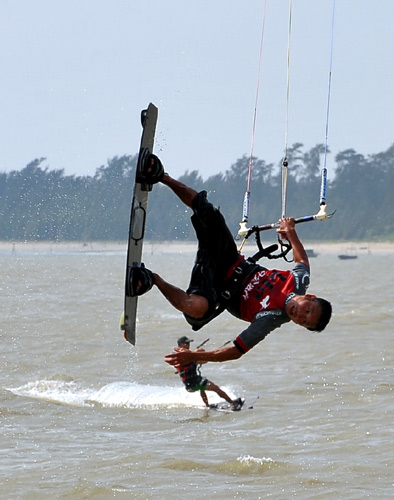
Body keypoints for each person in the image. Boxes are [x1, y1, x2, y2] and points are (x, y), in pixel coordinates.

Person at [131, 153, 332, 368]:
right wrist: (290, 231)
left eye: (303, 322)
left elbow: (236, 351)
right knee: (211, 214)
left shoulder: (270, 318)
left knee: (196, 308)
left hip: (216, 288)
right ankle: (162, 177)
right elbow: (302, 261)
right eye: (307, 310)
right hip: (230, 259)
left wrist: (194, 357)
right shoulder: (299, 282)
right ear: (309, 297)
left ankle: (151, 278)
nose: (299, 315)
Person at [174, 336, 244, 410]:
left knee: (202, 388)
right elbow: (194, 358)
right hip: (194, 382)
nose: (188, 345)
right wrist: (198, 354)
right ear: (180, 344)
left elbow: (202, 361)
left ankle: (207, 406)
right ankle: (234, 404)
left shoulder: (180, 354)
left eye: (188, 343)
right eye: (186, 343)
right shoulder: (183, 354)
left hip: (190, 384)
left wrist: (204, 356)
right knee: (216, 388)